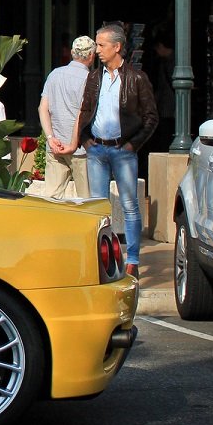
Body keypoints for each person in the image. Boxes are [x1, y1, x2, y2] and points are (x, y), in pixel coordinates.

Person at [74, 22, 158, 278]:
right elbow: (85, 110)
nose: (96, 50)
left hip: (123, 150)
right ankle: (102, 257)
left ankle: (132, 259)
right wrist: (85, 139)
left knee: (130, 205)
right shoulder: (94, 77)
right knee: (98, 207)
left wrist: (133, 144)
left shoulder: (136, 79)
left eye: (101, 45)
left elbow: (151, 117)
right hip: (97, 149)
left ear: (117, 47)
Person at [37, 35, 95, 200]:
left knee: (51, 199)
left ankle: (49, 226)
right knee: (87, 200)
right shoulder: (89, 79)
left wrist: (50, 138)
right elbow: (82, 114)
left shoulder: (54, 74)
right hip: (80, 149)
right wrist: (73, 144)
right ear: (91, 56)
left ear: (71, 53)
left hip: (55, 146)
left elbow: (43, 108)